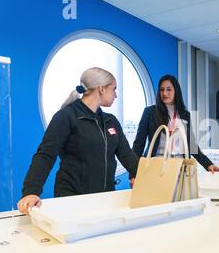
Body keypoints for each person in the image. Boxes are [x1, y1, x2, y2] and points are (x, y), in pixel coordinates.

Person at [17, 67, 139, 214]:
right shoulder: (66, 117)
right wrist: (31, 191)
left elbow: (126, 154)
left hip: (105, 197)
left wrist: (140, 177)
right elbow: (45, 155)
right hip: (72, 198)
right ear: (101, 89)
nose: (116, 95)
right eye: (113, 89)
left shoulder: (110, 121)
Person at [132, 74, 219, 175]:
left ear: (176, 91)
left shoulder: (185, 114)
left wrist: (208, 164)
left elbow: (191, 144)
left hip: (179, 168)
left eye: (169, 89)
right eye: (162, 90)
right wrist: (133, 173)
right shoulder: (150, 112)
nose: (165, 93)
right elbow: (138, 144)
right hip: (156, 167)